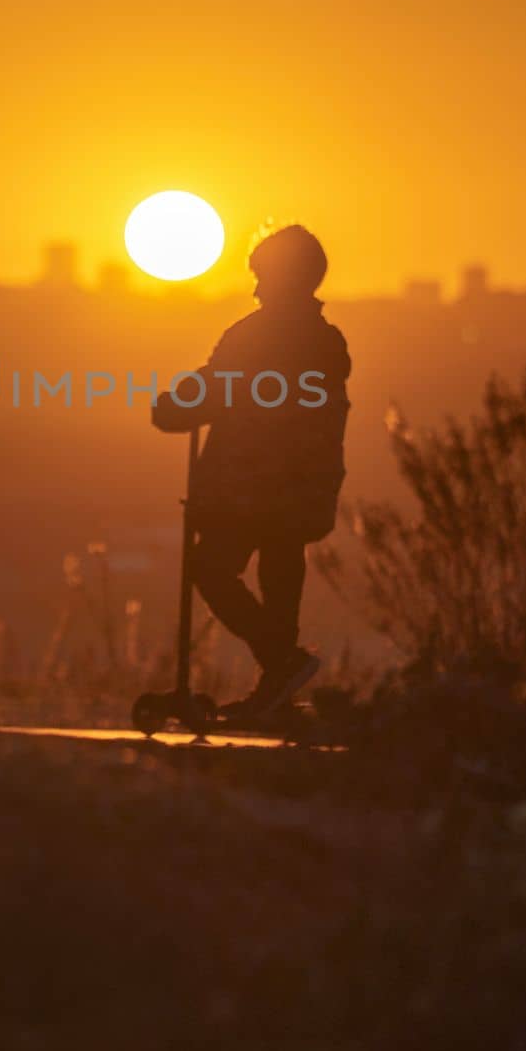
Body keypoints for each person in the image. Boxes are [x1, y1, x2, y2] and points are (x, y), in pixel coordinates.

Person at [151, 224, 350, 720]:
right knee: (281, 574)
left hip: (251, 487)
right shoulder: (326, 342)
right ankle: (277, 686)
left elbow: (219, 387)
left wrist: (175, 407)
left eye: (262, 277)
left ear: (284, 278)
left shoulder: (258, 335)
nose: (256, 288)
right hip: (299, 487)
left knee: (211, 569)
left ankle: (281, 662)